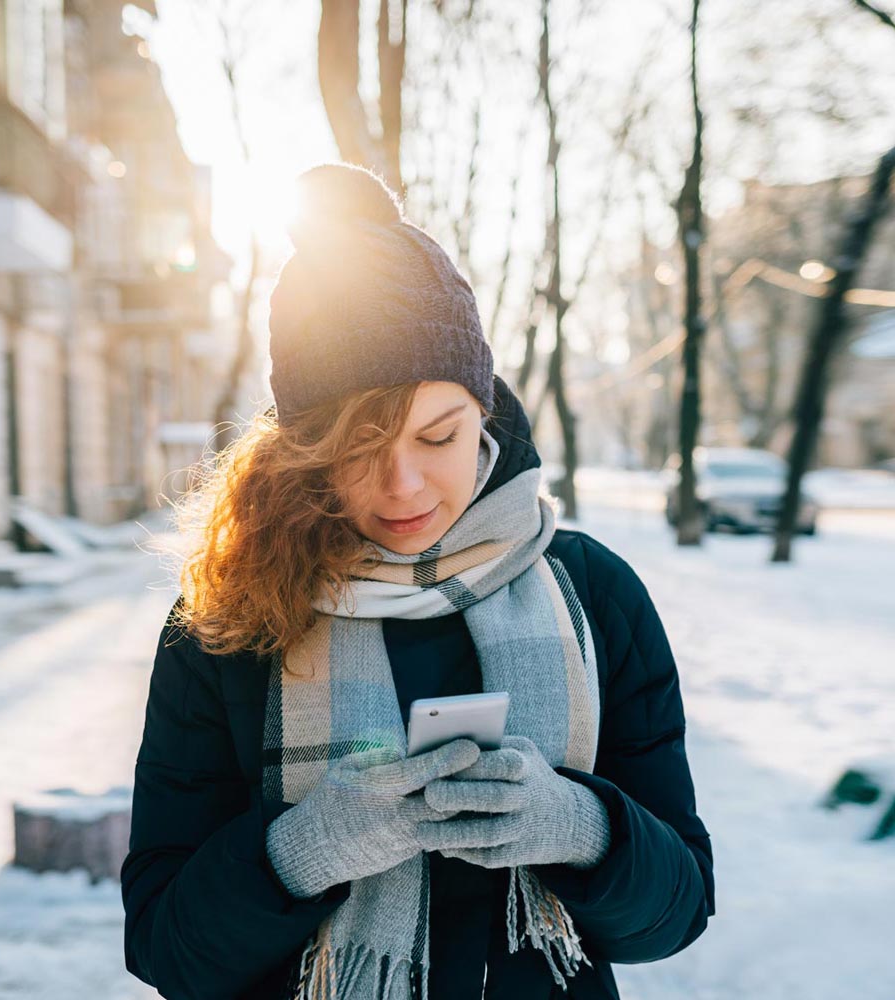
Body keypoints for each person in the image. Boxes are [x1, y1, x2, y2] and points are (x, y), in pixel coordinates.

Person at [120, 163, 715, 1000]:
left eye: (439, 437)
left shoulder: (594, 592)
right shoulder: (233, 613)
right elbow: (164, 948)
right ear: (306, 452)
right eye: (357, 451)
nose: (402, 486)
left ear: (484, 412)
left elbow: (677, 912)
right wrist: (300, 852)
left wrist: (582, 829)